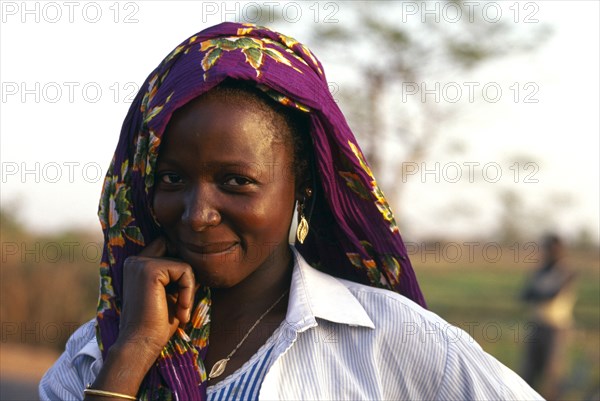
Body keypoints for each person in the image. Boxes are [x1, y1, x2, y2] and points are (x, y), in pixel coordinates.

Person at [40, 22, 542, 401]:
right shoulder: (94, 354)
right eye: (172, 179)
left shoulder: (395, 341)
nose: (197, 215)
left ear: (302, 189)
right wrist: (130, 358)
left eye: (236, 182)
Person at [521, 234, 577, 400]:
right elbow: (524, 295)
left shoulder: (566, 271)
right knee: (528, 371)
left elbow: (551, 295)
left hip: (557, 328)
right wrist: (540, 293)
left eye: (548, 248)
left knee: (553, 374)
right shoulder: (540, 270)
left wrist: (538, 292)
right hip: (537, 325)